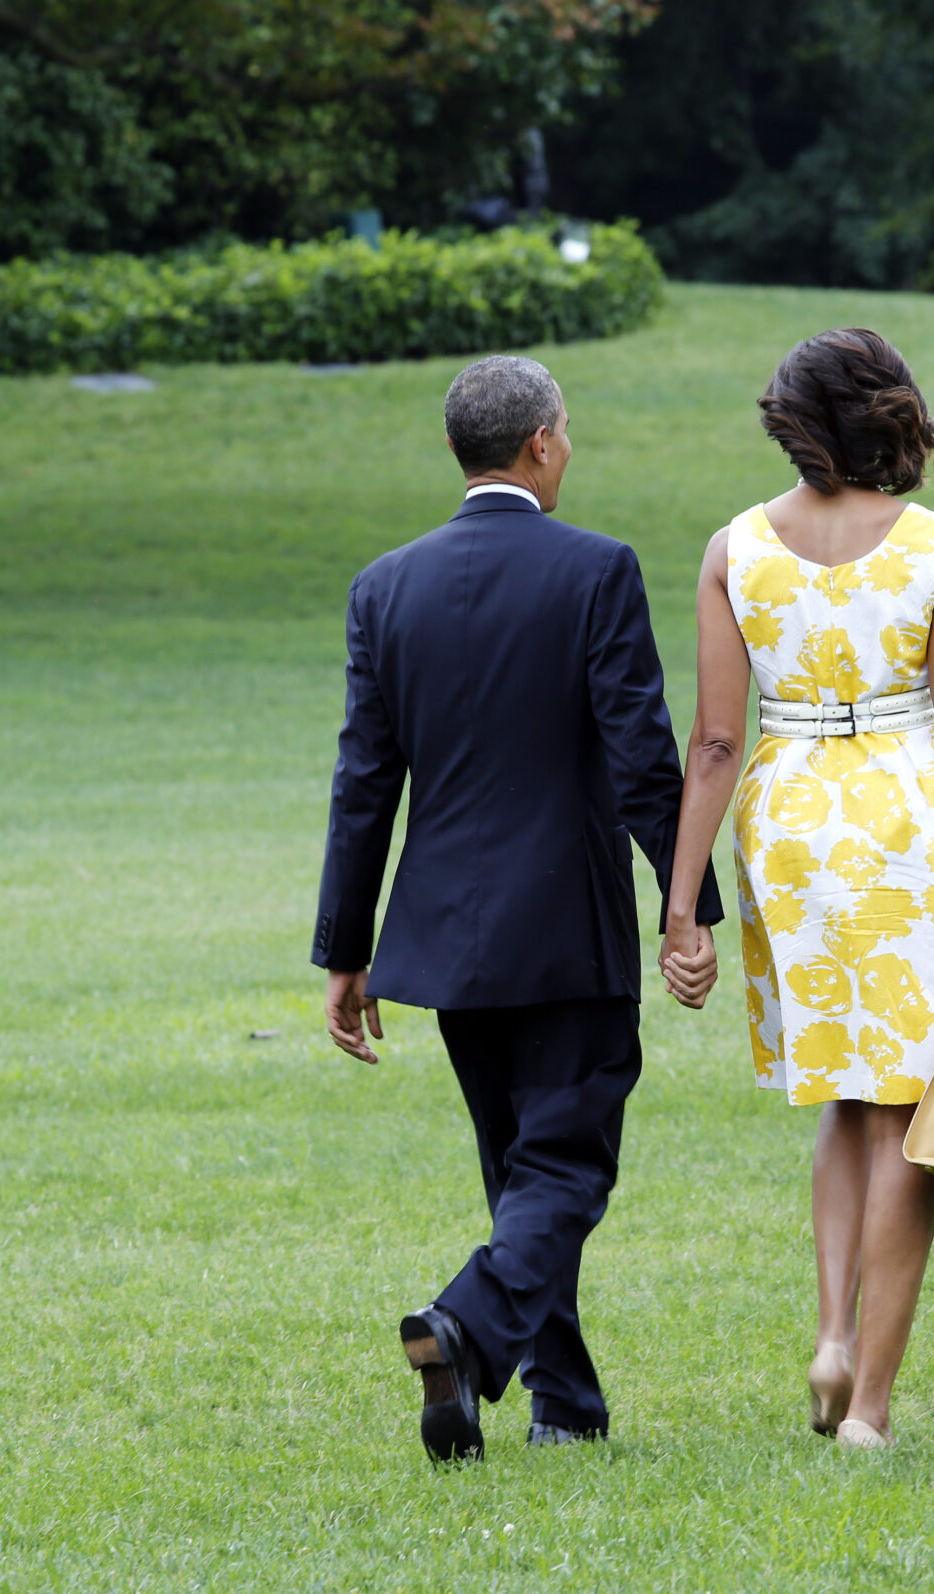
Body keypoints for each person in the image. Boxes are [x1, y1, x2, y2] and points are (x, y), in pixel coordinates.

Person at [313, 354, 722, 1462]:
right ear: (541, 443)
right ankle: (463, 1325)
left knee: (521, 1175)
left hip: (446, 940)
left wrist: (345, 948)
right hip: (568, 929)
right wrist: (686, 905)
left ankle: (565, 1404)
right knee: (567, 1167)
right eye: (567, 431)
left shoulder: (382, 587)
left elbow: (364, 782)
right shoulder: (596, 568)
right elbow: (641, 757)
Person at [656, 328, 934, 1451]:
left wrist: (680, 908)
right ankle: (866, 1406)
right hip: (906, 828)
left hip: (787, 830)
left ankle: (832, 1332)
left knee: (842, 1090)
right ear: (887, 412)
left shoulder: (733, 547)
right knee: (908, 1113)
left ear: (791, 420)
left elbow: (714, 742)